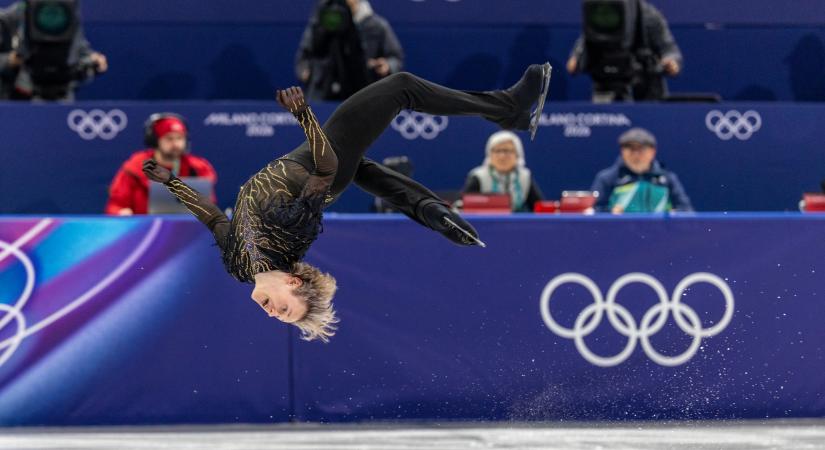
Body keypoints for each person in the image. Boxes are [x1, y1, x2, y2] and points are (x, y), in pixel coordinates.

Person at [142, 64, 552, 343]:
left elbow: (213, 217)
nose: (274, 314)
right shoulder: (290, 236)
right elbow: (326, 168)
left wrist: (172, 182)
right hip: (326, 163)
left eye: (280, 317)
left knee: (366, 168)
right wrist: (304, 116)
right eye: (286, 311)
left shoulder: (239, 266)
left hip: (326, 163)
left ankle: (430, 211)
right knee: (401, 87)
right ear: (293, 284)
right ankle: (506, 109)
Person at [567, 0, 682, 102]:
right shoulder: (600, 11)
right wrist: (577, 58)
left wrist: (671, 62)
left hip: (645, 87)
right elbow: (588, 39)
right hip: (606, 82)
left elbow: (669, 49)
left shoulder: (650, 16)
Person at [106, 114, 217, 216]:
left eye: (180, 138)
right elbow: (115, 205)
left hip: (188, 228)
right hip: (144, 229)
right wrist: (122, 213)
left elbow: (209, 206)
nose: (175, 144)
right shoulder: (135, 167)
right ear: (155, 140)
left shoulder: (198, 168)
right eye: (169, 138)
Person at [295, 0, 404, 101]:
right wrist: (305, 70)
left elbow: (395, 58)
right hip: (322, 92)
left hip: (362, 92)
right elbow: (305, 54)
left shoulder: (377, 26)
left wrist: (387, 65)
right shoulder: (321, 22)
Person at [0, 0, 107, 101]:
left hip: (63, 92)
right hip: (21, 95)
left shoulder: (67, 13)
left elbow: (79, 50)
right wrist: (9, 60)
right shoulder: (17, 13)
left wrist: (93, 59)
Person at [590, 127, 692, 213]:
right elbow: (594, 211)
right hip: (620, 230)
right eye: (630, 149)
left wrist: (674, 215)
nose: (635, 154)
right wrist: (610, 213)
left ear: (653, 152)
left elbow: (686, 210)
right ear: (622, 151)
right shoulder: (606, 178)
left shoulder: (668, 179)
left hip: (660, 230)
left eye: (641, 149)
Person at [461, 131, 544, 212]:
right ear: (489, 154)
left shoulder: (524, 177)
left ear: (517, 154)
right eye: (497, 151)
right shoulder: (479, 177)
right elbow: (462, 206)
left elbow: (540, 208)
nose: (502, 156)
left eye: (507, 151)